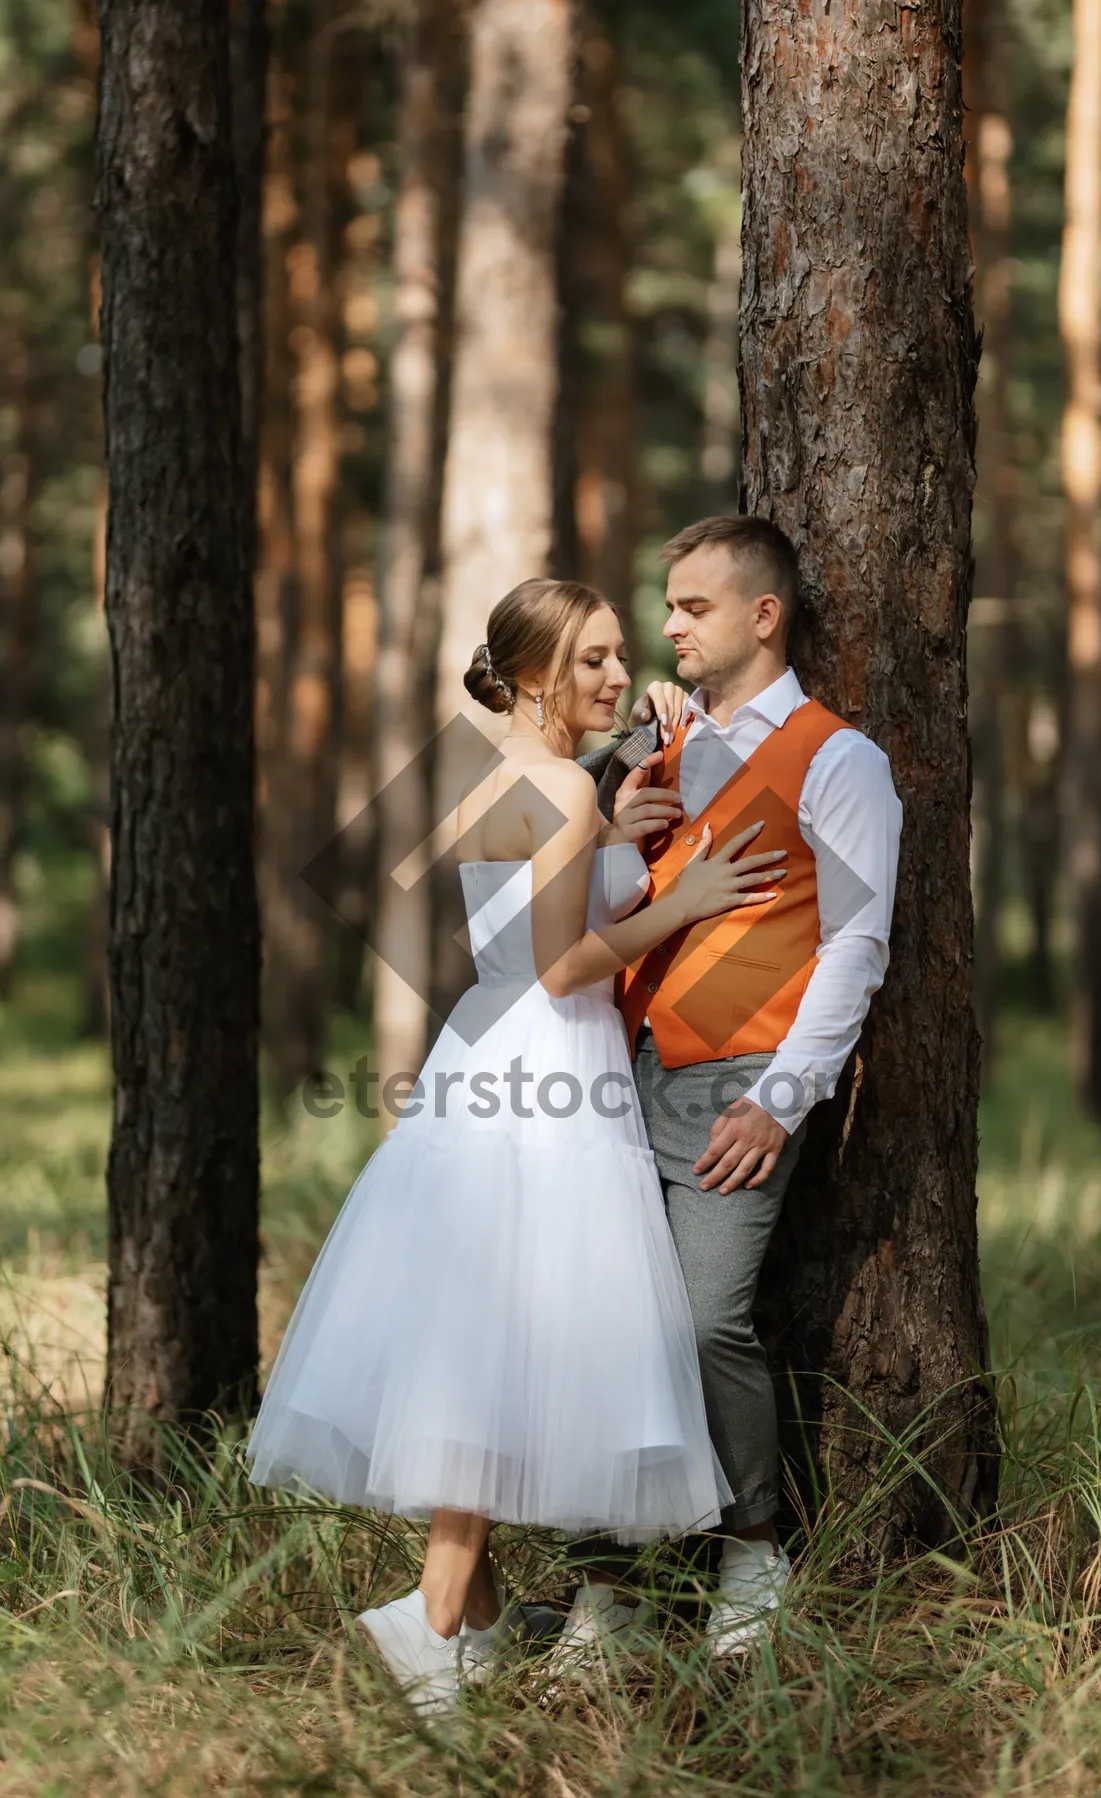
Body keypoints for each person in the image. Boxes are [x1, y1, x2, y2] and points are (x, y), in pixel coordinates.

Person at [245, 576, 789, 1713]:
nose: (611, 673)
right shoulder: (559, 789)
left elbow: (533, 908)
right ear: (537, 673)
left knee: (475, 1339)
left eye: (617, 653)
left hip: (479, 1060)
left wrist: (623, 811)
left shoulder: (506, 778)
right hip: (551, 1058)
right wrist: (682, 897)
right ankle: (435, 1620)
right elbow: (566, 962)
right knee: (510, 1339)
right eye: (589, 660)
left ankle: (476, 1622)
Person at [572, 514, 902, 1660]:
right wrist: (621, 820)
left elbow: (858, 944)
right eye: (667, 607)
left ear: (765, 615)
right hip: (622, 1072)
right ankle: (608, 1587)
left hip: (744, 1080)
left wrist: (784, 1096)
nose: (668, 626)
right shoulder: (653, 754)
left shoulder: (839, 756)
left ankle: (753, 1550)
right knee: (607, 1322)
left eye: (693, 607)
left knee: (710, 1316)